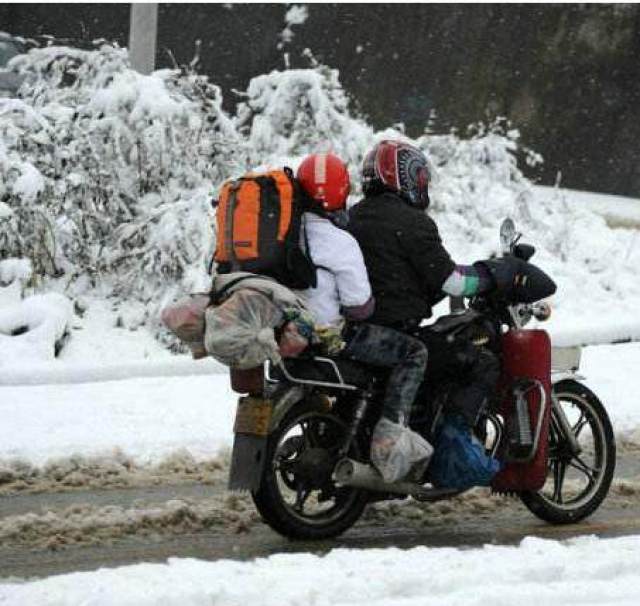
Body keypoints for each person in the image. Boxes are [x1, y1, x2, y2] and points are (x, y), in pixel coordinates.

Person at [295, 152, 432, 483]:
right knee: (414, 352)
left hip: (292, 331)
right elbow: (360, 307)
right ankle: (391, 439)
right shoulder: (340, 242)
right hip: (333, 336)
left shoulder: (288, 236)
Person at [348, 140, 501, 428]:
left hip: (357, 329)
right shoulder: (413, 222)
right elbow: (453, 282)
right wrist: (491, 276)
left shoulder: (352, 216)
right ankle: (409, 435)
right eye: (419, 177)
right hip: (392, 330)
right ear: (404, 176)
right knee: (477, 362)